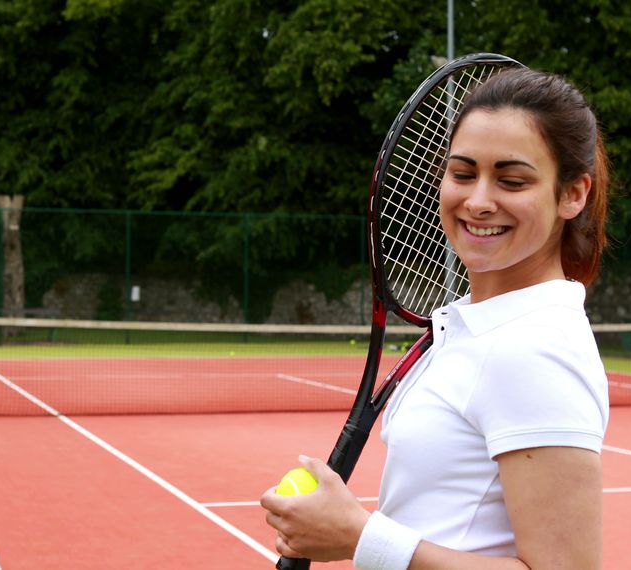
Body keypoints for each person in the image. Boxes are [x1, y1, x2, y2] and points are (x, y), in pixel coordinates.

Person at [261, 67, 612, 570]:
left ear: (572, 195)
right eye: (463, 173)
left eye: (512, 180)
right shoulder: (476, 325)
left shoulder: (535, 349)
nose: (478, 201)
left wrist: (361, 537)